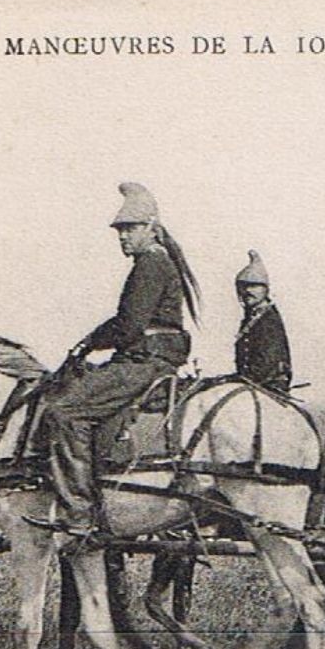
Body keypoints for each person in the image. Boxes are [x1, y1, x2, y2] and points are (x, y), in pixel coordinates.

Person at [38, 182, 200, 542]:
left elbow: (129, 325)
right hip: (150, 357)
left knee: (64, 412)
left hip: (145, 360)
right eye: (120, 230)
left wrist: (89, 342)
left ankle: (79, 511)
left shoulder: (151, 263)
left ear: (151, 228)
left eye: (130, 229)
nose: (123, 237)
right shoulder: (156, 261)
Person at [232, 250, 292, 393]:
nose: (247, 291)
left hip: (270, 384)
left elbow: (267, 361)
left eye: (254, 286)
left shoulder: (269, 319)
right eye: (243, 287)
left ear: (265, 290)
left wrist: (240, 379)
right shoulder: (250, 319)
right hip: (250, 383)